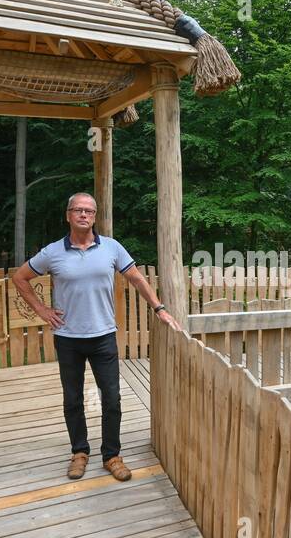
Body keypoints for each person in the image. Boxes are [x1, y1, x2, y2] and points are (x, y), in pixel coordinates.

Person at [11, 192, 180, 481]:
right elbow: (20, 277)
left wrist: (159, 308)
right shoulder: (53, 252)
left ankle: (111, 455)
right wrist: (41, 310)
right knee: (73, 399)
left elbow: (137, 278)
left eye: (89, 211)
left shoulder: (111, 248)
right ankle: (79, 452)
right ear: (68, 215)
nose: (84, 215)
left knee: (112, 398)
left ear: (94, 216)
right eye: (78, 210)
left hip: (103, 336)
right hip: (68, 338)